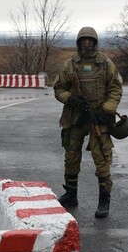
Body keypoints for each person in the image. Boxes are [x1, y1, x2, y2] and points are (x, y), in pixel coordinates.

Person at [53, 27, 123, 218]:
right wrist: (70, 99)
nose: (86, 44)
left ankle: (104, 200)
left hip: (98, 117)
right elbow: (59, 88)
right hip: (75, 116)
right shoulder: (70, 65)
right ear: (78, 42)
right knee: (71, 155)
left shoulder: (105, 64)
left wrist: (107, 110)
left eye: (90, 41)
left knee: (101, 157)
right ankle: (71, 194)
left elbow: (116, 89)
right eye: (83, 40)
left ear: (95, 42)